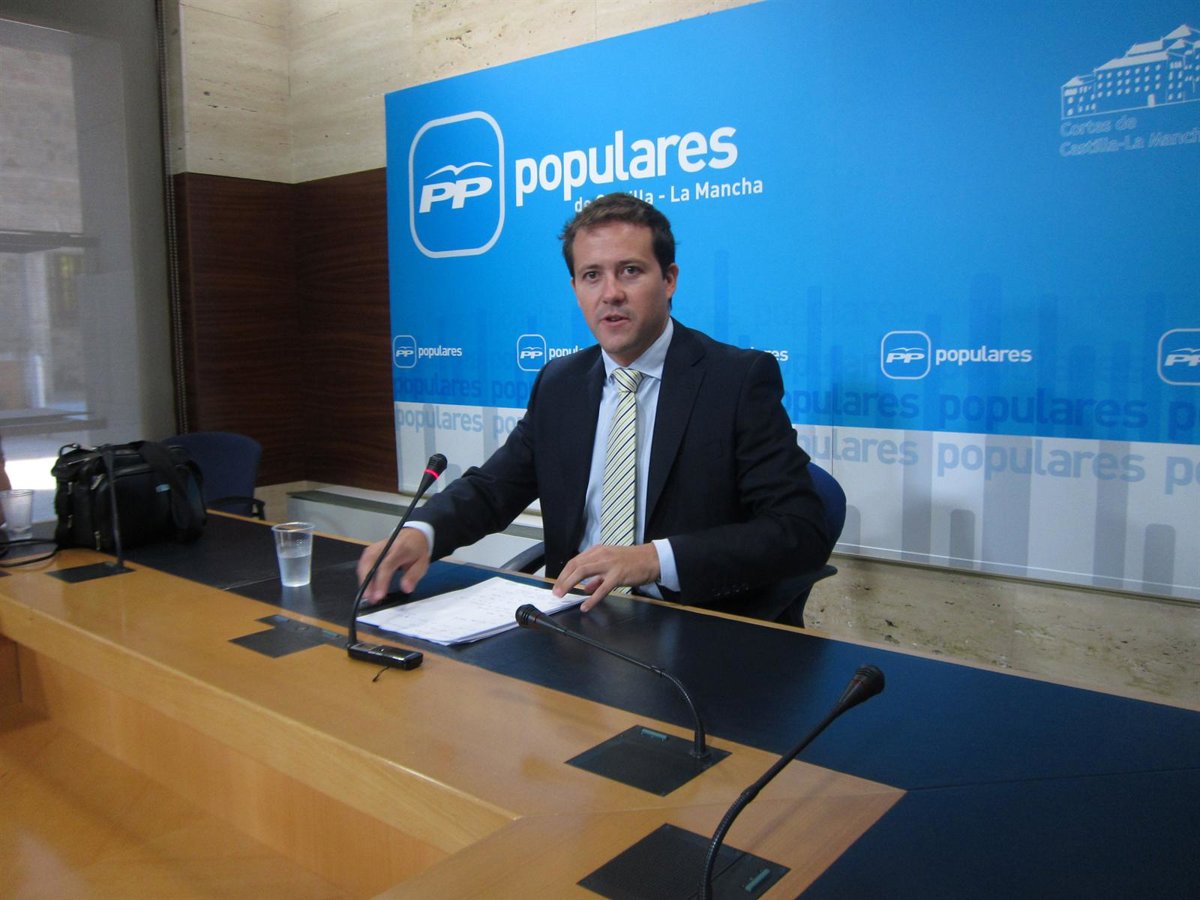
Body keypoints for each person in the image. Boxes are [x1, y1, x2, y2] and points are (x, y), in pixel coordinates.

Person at [357, 192, 830, 621]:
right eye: (591, 276)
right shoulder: (559, 383)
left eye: (630, 271)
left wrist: (653, 559)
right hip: (571, 620)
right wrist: (422, 532)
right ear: (576, 289)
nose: (610, 293)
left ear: (669, 279)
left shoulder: (735, 380)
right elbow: (492, 490)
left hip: (691, 626)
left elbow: (799, 528)